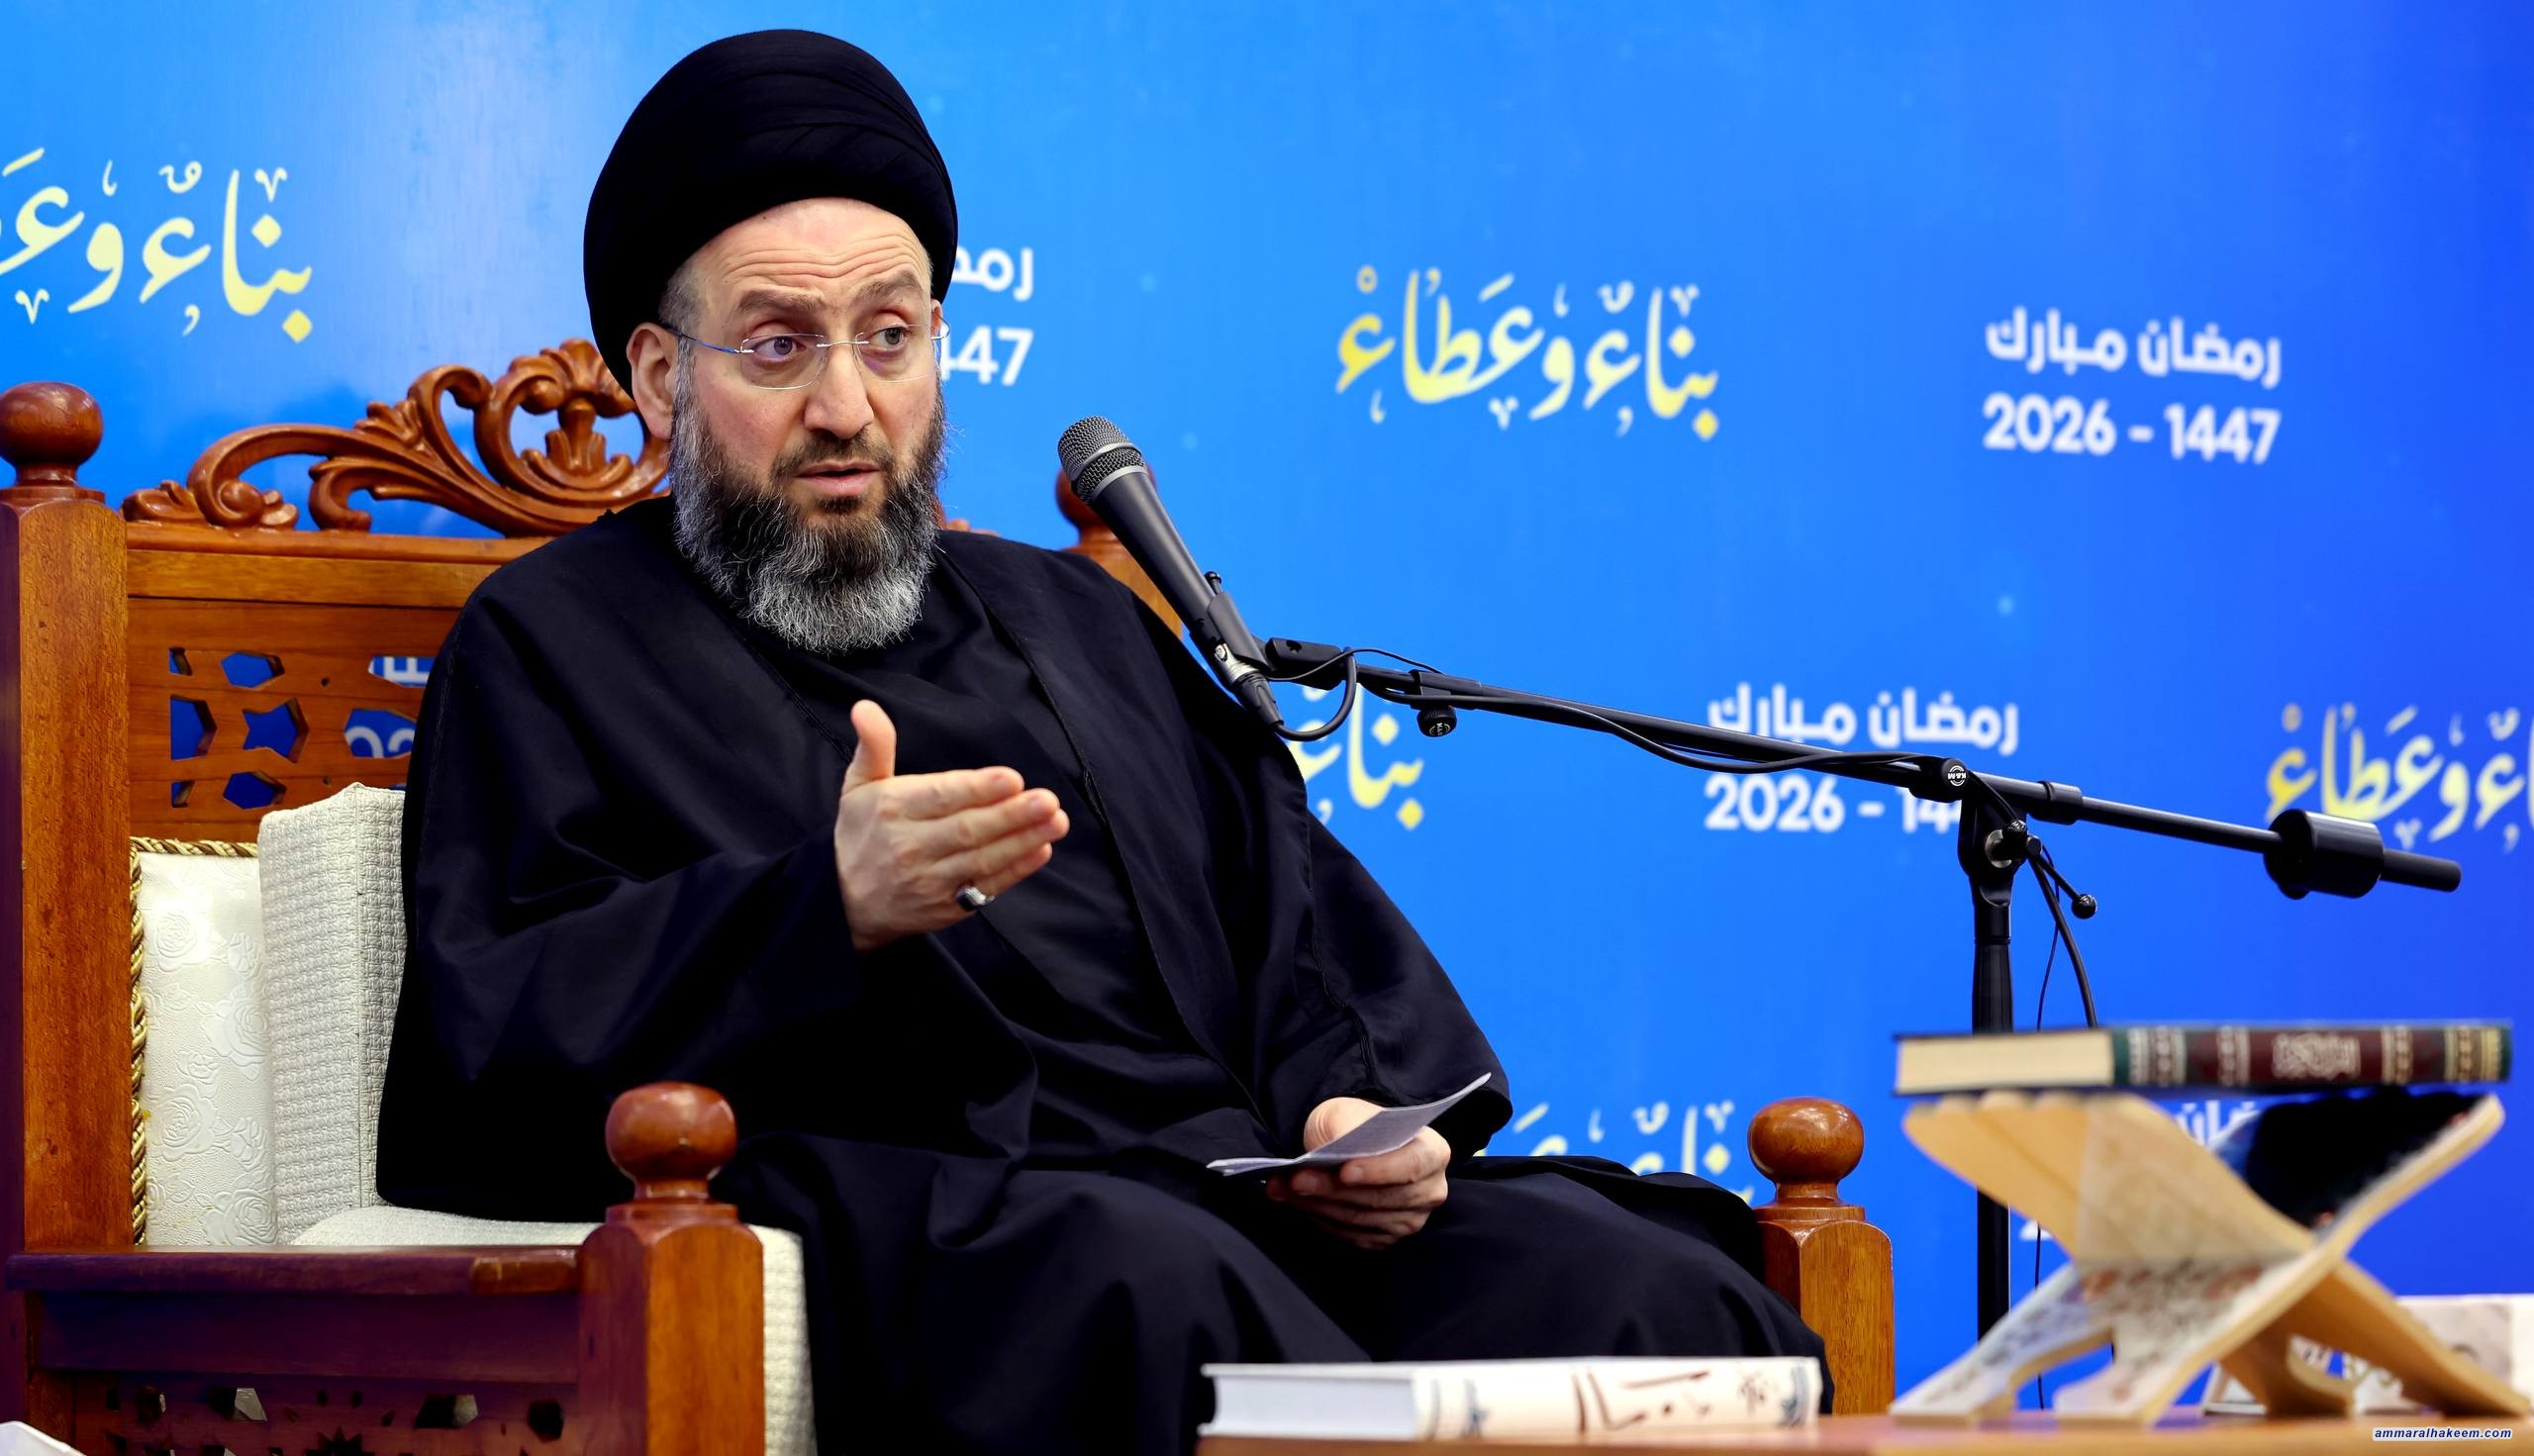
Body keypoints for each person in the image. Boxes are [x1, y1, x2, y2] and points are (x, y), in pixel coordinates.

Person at [376, 29, 1826, 1455]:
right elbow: (490, 1038)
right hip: (966, 1212)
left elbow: (1288, 921)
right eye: (776, 346)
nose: (845, 407)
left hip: (1241, 1189)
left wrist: (1347, 1113)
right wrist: (824, 909)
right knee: (1163, 1291)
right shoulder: (552, 640)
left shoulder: (1071, 614)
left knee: (1649, 1294)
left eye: (890, 337)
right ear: (656, 374)